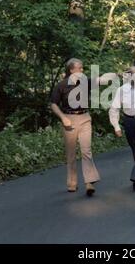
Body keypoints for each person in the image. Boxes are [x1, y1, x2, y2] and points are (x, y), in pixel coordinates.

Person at [50, 58, 100, 196]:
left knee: (86, 150)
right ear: (71, 70)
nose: (82, 70)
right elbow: (53, 104)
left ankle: (89, 182)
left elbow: (100, 81)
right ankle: (72, 183)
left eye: (83, 68)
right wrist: (63, 117)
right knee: (71, 153)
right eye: (80, 68)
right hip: (69, 119)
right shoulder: (61, 85)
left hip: (84, 118)